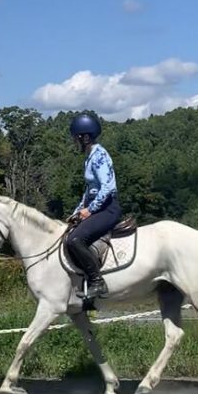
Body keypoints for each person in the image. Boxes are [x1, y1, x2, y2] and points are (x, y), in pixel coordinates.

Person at [64, 112, 122, 299]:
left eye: (76, 138)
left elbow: (107, 187)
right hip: (98, 206)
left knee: (75, 240)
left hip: (107, 208)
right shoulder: (90, 157)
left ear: (85, 137)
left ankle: (97, 282)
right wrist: (77, 212)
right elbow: (89, 191)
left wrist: (90, 210)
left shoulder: (99, 156)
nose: (74, 142)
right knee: (69, 234)